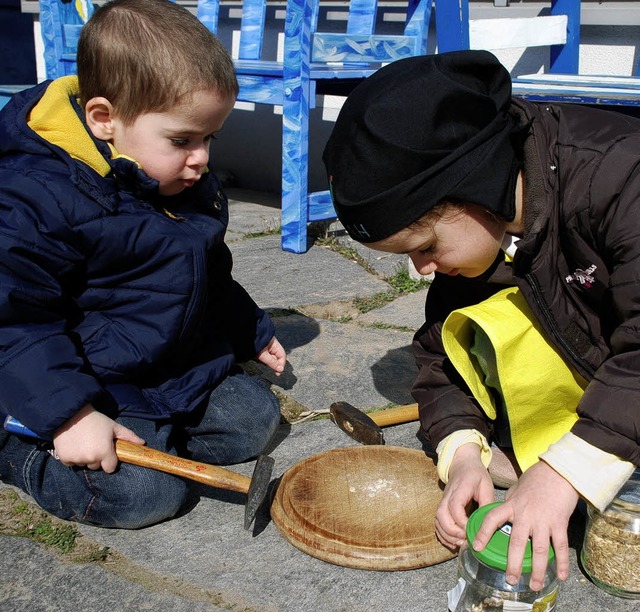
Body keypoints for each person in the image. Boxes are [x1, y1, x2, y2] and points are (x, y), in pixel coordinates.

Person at [323, 50, 640, 591]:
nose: (422, 270)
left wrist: (561, 474)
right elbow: (443, 358)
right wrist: (466, 454)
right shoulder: (485, 232)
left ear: (475, 186)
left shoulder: (619, 179)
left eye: (425, 246)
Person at [0, 0, 286, 529]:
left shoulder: (179, 175)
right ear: (105, 119)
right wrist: (70, 415)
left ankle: (156, 433)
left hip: (161, 363)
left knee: (254, 422)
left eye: (209, 138)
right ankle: (20, 446)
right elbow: (16, 318)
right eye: (182, 140)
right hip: (83, 377)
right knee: (144, 496)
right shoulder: (37, 198)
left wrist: (249, 330)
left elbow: (208, 269)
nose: (201, 156)